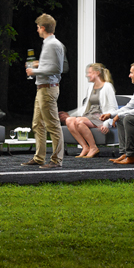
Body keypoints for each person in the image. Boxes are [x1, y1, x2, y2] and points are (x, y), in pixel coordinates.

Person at [22, 13, 65, 169]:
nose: (37, 30)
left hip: (48, 89)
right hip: (42, 88)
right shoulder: (48, 44)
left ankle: (56, 160)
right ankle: (39, 157)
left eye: (38, 27)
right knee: (37, 124)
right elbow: (51, 64)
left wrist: (35, 72)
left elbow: (57, 68)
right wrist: (39, 64)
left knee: (52, 125)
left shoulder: (53, 44)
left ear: (43, 28)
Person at [58, 63, 117, 159]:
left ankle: (93, 148)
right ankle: (85, 147)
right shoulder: (91, 87)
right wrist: (69, 114)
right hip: (89, 115)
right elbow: (85, 107)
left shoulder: (107, 86)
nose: (87, 75)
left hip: (100, 116)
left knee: (79, 121)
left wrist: (107, 123)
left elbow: (113, 108)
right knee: (69, 120)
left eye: (89, 72)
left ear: (97, 73)